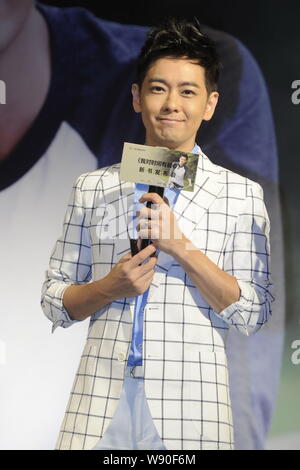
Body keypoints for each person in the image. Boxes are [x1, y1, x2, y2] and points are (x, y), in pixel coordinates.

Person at [0, 1, 283, 450]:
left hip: (192, 411)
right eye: (158, 89)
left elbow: (253, 312)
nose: (171, 105)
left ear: (210, 105)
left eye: (188, 92)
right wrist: (108, 287)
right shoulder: (93, 187)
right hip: (98, 409)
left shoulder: (241, 195)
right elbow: (55, 300)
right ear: (136, 97)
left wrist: (181, 248)